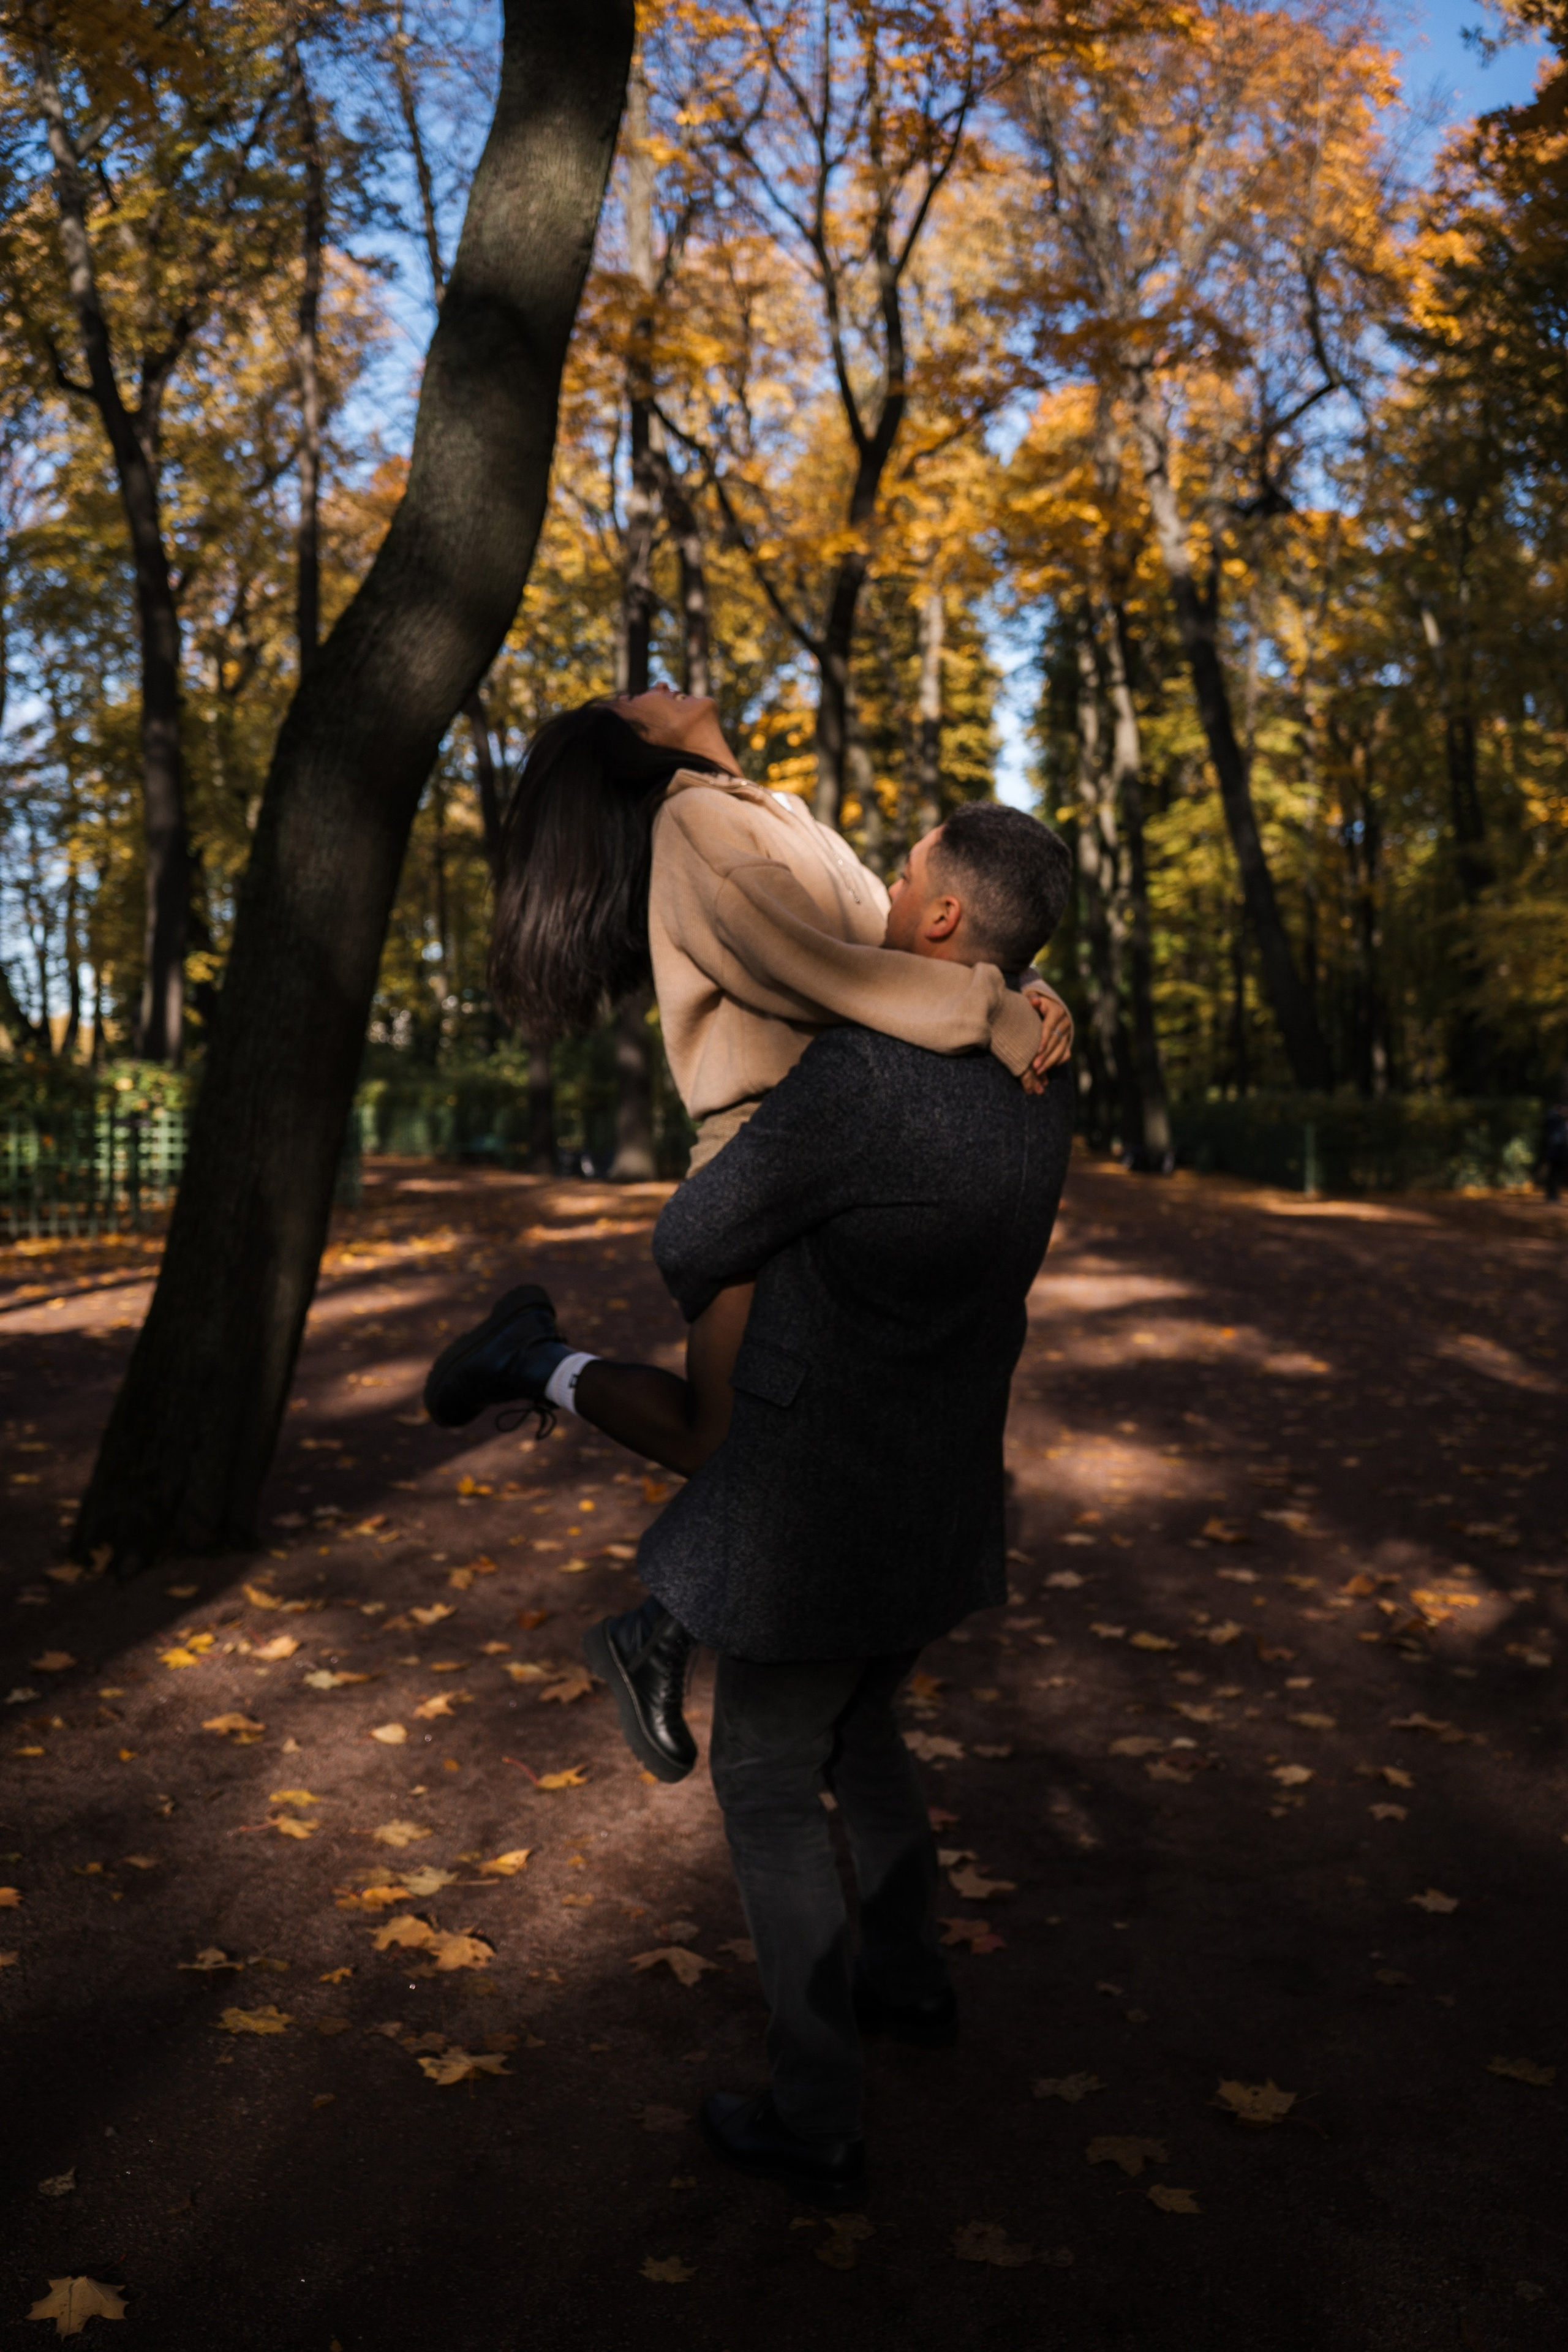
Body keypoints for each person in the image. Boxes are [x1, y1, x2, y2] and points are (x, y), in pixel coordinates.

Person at [424, 688, 1074, 1758]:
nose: (661, 686)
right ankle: (536, 1367)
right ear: (643, 741)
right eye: (641, 697)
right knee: (721, 1440)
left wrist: (1032, 986)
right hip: (772, 1161)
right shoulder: (693, 823)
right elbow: (816, 963)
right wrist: (993, 1011)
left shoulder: (771, 804)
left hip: (852, 1150)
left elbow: (916, 930)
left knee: (790, 1440)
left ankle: (670, 1623)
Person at [600, 799, 1074, 2206]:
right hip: (935, 1489)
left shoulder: (865, 1081)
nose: (880, 874)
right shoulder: (1037, 1072)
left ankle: (815, 2109)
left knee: (759, 1770)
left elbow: (692, 1233)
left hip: (819, 1500)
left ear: (937, 920)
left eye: (905, 864)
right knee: (862, 1730)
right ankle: (910, 1980)